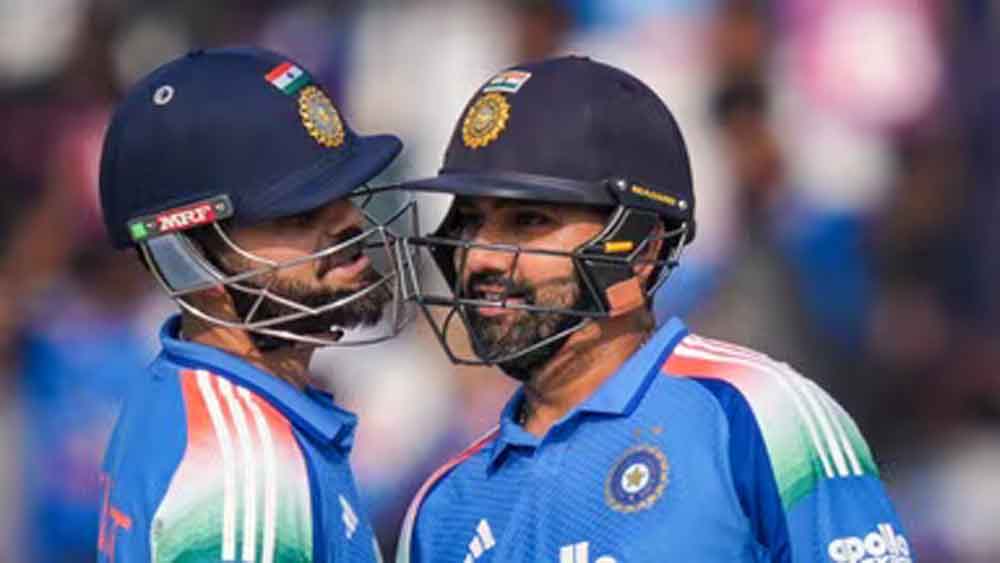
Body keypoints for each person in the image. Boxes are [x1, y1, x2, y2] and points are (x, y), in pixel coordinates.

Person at [395, 56, 911, 562]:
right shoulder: (442, 508)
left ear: (640, 250)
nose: (480, 256)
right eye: (470, 222)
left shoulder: (760, 416)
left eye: (528, 221)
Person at [96, 47, 414, 562]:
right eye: (297, 214)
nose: (349, 221)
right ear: (186, 261)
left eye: (346, 194)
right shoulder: (245, 468)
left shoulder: (182, 387)